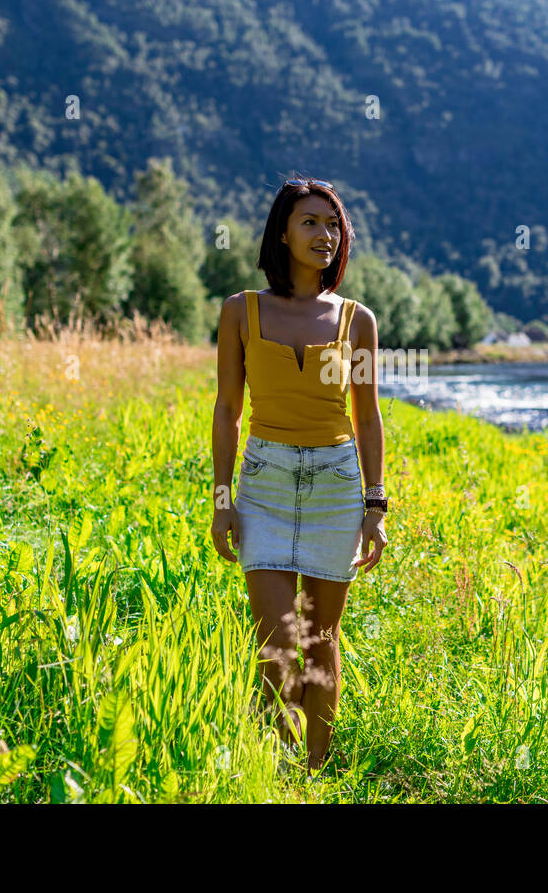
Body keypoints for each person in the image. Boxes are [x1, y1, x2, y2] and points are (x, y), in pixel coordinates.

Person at [210, 175, 389, 774]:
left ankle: (312, 775)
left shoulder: (356, 320)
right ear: (282, 233)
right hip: (263, 484)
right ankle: (274, 769)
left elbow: (367, 419)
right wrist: (221, 498)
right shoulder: (240, 311)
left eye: (333, 224)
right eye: (310, 222)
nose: (325, 235)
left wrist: (375, 507)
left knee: (319, 641)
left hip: (338, 486)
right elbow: (228, 410)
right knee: (277, 644)